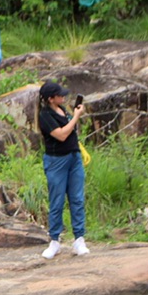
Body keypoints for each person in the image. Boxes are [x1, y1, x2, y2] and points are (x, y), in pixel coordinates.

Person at [37, 80, 89, 259]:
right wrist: (76, 117)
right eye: (60, 95)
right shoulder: (45, 115)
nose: (63, 97)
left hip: (74, 158)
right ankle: (54, 240)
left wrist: (73, 117)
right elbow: (61, 135)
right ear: (50, 99)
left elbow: (71, 133)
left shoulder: (63, 110)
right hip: (56, 161)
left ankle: (79, 238)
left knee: (77, 199)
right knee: (57, 201)